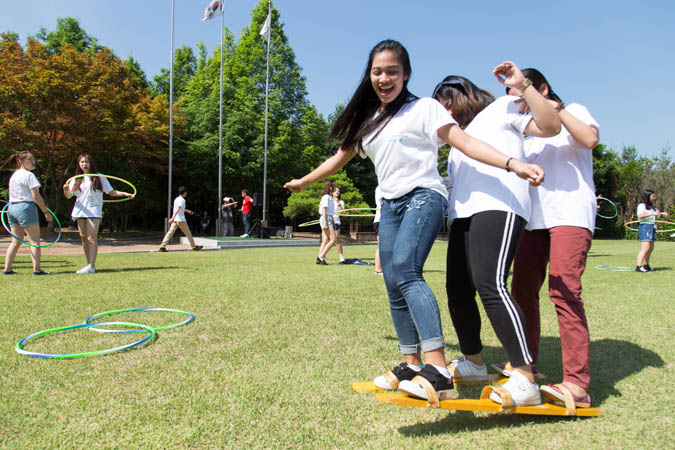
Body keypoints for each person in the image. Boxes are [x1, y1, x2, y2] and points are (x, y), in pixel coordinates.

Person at [284, 40, 544, 402]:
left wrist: (513, 163)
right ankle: (410, 361)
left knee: (406, 269)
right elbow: (339, 158)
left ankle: (436, 368)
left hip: (424, 196)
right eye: (377, 71)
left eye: (392, 71)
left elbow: (465, 143)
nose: (384, 78)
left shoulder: (425, 109)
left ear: (406, 74)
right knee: (392, 282)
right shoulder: (368, 120)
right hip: (389, 205)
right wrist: (305, 181)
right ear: (369, 75)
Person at [434, 63, 560, 406]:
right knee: (457, 289)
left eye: (445, 106)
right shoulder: (456, 138)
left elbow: (550, 126)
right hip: (463, 215)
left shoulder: (503, 107)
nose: (443, 116)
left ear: (461, 96)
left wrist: (524, 86)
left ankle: (524, 375)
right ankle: (474, 362)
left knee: (490, 283)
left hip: (501, 205)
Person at [506, 67, 600, 409]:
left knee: (564, 292)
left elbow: (589, 140)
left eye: (520, 96)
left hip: (570, 216)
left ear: (540, 88)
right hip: (533, 221)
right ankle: (525, 366)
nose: (518, 106)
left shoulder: (572, 110)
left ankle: (577, 384)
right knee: (521, 291)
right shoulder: (526, 132)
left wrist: (554, 108)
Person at [62, 153, 134, 274]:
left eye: (87, 162)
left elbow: (111, 192)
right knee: (84, 238)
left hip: (94, 210)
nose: (84, 164)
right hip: (80, 211)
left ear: (91, 163)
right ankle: (88, 265)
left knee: (91, 237)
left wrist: (125, 194)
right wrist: (66, 190)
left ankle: (91, 265)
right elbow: (69, 196)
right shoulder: (76, 178)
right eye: (82, 162)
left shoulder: (98, 177)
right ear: (78, 164)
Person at [2, 151, 51, 275]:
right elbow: (36, 196)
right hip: (25, 207)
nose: (33, 162)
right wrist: (45, 211)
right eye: (29, 159)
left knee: (16, 241)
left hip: (12, 208)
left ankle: (7, 269)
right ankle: (37, 269)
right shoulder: (29, 176)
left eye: (33, 159)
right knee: (34, 241)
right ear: (20, 162)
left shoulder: (14, 175)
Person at [158, 186, 203, 252]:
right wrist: (172, 218)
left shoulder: (177, 199)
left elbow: (180, 208)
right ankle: (194, 246)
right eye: (186, 192)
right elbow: (178, 209)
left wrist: (187, 211)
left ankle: (162, 246)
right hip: (181, 220)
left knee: (170, 233)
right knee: (188, 233)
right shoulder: (182, 200)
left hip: (176, 220)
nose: (186, 193)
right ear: (184, 193)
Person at [635, 189, 668, 272]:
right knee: (645, 248)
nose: (654, 198)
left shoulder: (652, 208)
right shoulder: (641, 206)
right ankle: (638, 266)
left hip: (651, 227)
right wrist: (653, 214)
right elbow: (640, 216)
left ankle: (646, 265)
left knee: (650, 248)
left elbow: (656, 215)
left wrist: (663, 214)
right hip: (644, 227)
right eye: (653, 196)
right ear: (647, 197)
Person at [316, 180, 337, 265]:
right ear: (330, 187)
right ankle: (321, 257)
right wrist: (325, 223)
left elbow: (329, 211)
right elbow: (323, 210)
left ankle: (320, 257)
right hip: (326, 219)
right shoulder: (326, 197)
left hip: (328, 218)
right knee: (333, 239)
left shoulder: (329, 198)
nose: (335, 189)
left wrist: (333, 222)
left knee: (325, 240)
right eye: (334, 187)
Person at [333, 186, 346, 263]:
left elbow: (341, 213)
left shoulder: (341, 202)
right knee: (327, 240)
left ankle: (341, 257)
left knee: (337, 240)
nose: (337, 192)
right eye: (335, 191)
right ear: (332, 192)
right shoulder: (329, 200)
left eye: (338, 191)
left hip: (336, 222)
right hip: (329, 221)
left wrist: (338, 203)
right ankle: (322, 256)